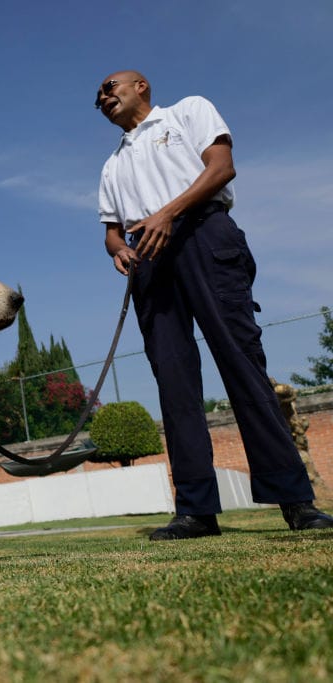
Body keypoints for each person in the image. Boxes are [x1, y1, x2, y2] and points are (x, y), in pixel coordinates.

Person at [95, 70, 333, 540]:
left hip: (205, 235)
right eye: (98, 96)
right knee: (174, 381)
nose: (102, 96)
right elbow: (110, 230)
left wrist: (168, 212)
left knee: (241, 362)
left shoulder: (187, 111)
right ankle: (196, 511)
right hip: (150, 257)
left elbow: (221, 168)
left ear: (140, 85)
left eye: (109, 86)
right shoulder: (112, 165)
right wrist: (119, 249)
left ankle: (296, 501)